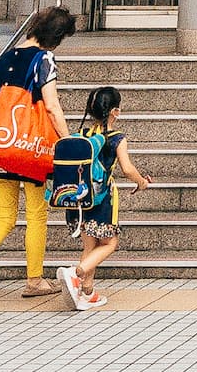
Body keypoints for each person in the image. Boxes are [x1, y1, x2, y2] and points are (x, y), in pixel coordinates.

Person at [0, 4, 77, 310]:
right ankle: (34, 280)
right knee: (37, 214)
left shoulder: (5, 56)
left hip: (1, 146)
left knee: (3, 218)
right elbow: (51, 106)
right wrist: (68, 141)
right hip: (30, 151)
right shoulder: (44, 59)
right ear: (56, 37)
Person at [61, 85, 151, 310]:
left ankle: (87, 291)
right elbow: (128, 169)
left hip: (78, 199)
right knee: (110, 243)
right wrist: (142, 182)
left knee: (90, 244)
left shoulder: (82, 135)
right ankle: (76, 274)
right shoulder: (116, 138)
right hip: (102, 199)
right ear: (115, 112)